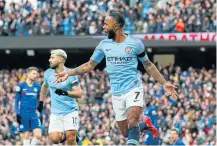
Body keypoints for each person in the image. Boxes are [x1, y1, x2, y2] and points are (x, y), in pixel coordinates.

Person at [54, 12, 178, 145]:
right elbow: (89, 65)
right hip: (117, 93)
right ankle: (145, 125)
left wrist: (164, 83)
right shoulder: (104, 45)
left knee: (132, 120)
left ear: (117, 26)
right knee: (126, 132)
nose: (103, 27)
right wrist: (69, 73)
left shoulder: (135, 44)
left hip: (133, 87)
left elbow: (148, 64)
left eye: (106, 24)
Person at [37, 49, 83, 145]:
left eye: (52, 58)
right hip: (56, 112)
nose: (49, 60)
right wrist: (41, 102)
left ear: (61, 59)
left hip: (70, 110)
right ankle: (74, 135)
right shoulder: (48, 73)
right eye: (50, 57)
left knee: (71, 138)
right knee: (54, 139)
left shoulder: (71, 74)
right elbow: (44, 87)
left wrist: (64, 93)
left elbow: (79, 93)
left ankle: (73, 135)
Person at [14, 67, 42, 145]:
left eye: (36, 74)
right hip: (24, 113)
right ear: (28, 74)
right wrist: (17, 113)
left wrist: (41, 113)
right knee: (26, 136)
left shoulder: (38, 87)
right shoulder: (21, 86)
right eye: (34, 73)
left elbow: (39, 101)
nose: (35, 75)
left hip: (34, 114)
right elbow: (16, 101)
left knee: (38, 135)